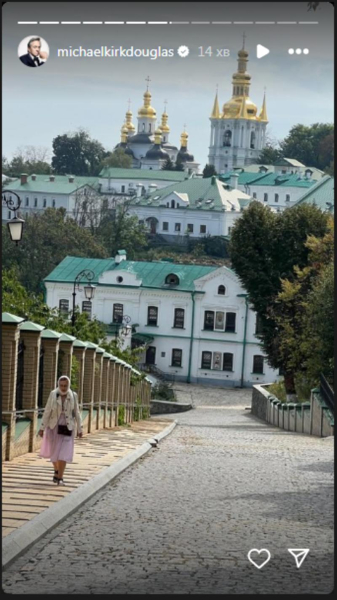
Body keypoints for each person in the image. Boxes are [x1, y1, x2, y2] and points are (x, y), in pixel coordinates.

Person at [38, 376, 83, 485]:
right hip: (54, 426)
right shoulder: (53, 394)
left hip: (68, 427)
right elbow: (47, 411)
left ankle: (60, 477)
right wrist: (42, 428)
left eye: (65, 386)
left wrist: (80, 428)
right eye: (61, 385)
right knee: (54, 453)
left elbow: (77, 412)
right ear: (58, 384)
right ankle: (56, 470)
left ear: (68, 385)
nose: (63, 388)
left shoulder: (73, 396)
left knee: (64, 453)